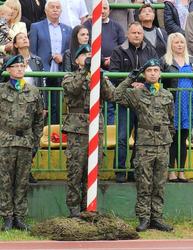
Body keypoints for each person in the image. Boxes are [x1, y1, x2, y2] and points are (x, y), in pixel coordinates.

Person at [111, 58, 174, 232]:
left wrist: (169, 137)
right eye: (149, 71)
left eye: (155, 70)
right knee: (144, 183)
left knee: (159, 184)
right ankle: (144, 218)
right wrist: (130, 79)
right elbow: (116, 96)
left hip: (163, 144)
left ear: (160, 73)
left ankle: (157, 217)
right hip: (145, 144)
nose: (153, 73)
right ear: (144, 74)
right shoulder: (136, 94)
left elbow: (171, 120)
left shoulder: (167, 95)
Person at [62, 44, 115, 217]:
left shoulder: (98, 76)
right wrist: (85, 70)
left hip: (94, 127)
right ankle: (74, 209)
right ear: (77, 60)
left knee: (92, 170)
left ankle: (88, 207)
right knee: (75, 171)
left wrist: (99, 76)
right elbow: (73, 89)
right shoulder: (70, 76)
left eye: (91, 55)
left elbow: (111, 95)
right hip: (77, 129)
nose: (88, 57)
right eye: (84, 55)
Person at [109, 21, 158, 183]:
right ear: (127, 34)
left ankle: (135, 169)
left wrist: (142, 83)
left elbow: (156, 71)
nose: (137, 35)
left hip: (144, 102)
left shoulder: (150, 50)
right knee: (122, 136)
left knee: (141, 137)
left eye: (139, 33)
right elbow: (114, 74)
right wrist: (131, 83)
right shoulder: (118, 51)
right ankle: (120, 170)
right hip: (126, 100)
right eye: (134, 33)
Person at [0, 54, 44, 231]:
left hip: (25, 141)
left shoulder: (33, 91)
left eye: (21, 66)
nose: (19, 69)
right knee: (4, 181)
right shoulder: (2, 90)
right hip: (5, 141)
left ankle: (19, 216)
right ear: (8, 70)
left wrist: (35, 141)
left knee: (22, 181)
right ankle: (7, 217)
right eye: (15, 66)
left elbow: (39, 119)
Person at [160, 32, 193, 182]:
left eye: (182, 42)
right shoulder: (165, 61)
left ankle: (181, 171)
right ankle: (170, 171)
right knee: (172, 139)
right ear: (171, 44)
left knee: (183, 139)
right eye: (176, 42)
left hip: (188, 104)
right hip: (172, 104)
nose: (179, 45)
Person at [29, 0, 72, 124]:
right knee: (42, 104)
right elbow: (33, 50)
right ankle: (41, 132)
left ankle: (55, 133)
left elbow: (69, 50)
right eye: (52, 7)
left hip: (59, 71)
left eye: (58, 7)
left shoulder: (68, 29)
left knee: (57, 105)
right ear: (46, 10)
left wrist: (62, 57)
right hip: (42, 71)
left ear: (61, 11)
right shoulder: (36, 27)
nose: (55, 9)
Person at [12, 32, 47, 184]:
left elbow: (42, 84)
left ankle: (27, 170)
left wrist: (43, 105)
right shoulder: (11, 61)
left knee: (34, 139)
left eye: (26, 37)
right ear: (15, 45)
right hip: (16, 104)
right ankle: (16, 171)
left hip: (33, 103)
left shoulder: (37, 60)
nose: (25, 39)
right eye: (20, 38)